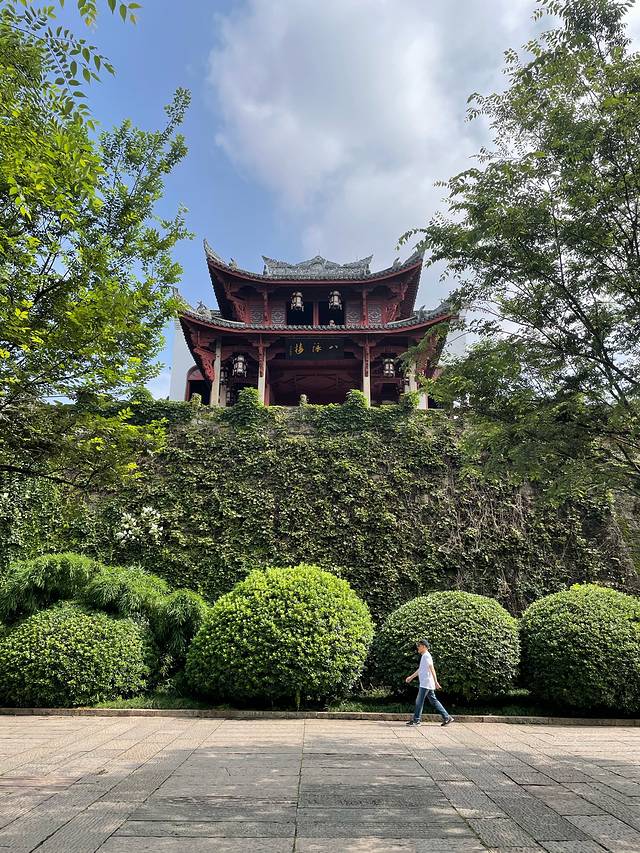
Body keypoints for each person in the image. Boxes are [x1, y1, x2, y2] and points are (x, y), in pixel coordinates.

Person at [405, 639, 454, 727]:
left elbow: (432, 668)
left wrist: (436, 681)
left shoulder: (426, 656)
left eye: (419, 646)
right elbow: (420, 670)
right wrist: (411, 677)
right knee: (434, 701)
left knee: (419, 701)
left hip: (426, 683)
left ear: (424, 646)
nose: (418, 648)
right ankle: (447, 717)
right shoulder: (424, 656)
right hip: (426, 683)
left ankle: (416, 720)